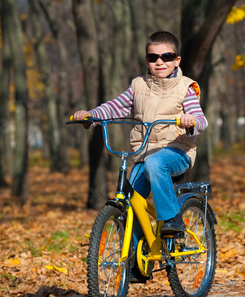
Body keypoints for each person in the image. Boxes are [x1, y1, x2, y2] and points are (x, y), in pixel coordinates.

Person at [73, 31, 208, 235]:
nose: (160, 62)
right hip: (143, 154)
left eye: (167, 57)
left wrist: (192, 121)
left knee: (156, 163)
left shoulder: (185, 87)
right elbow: (114, 107)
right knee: (131, 201)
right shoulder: (138, 86)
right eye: (153, 57)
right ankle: (135, 262)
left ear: (177, 60)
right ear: (147, 60)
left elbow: (201, 119)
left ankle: (172, 218)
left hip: (177, 151)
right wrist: (91, 115)